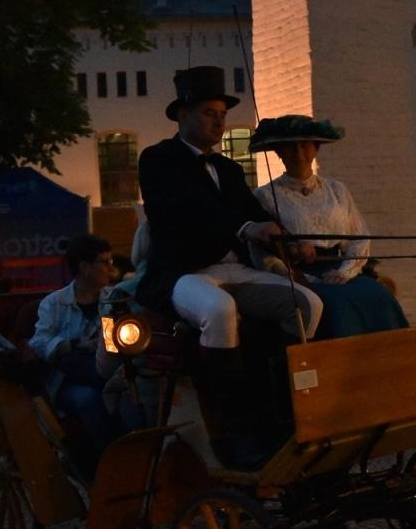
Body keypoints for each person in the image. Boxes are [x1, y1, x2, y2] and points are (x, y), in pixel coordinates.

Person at [136, 66, 322, 469]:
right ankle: (235, 431)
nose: (219, 121)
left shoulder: (230, 170)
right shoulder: (157, 161)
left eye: (222, 114)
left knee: (306, 304)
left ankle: (289, 415)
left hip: (233, 271)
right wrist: (244, 227)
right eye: (208, 112)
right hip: (182, 274)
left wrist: (292, 244)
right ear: (181, 115)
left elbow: (255, 213)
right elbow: (187, 211)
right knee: (220, 312)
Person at [249, 115, 409, 339]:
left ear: (316, 148)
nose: (299, 153)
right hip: (300, 277)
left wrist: (344, 272)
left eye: (305, 145)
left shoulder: (336, 190)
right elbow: (264, 255)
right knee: (336, 305)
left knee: (379, 295)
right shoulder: (265, 196)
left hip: (340, 270)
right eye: (290, 147)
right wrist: (304, 278)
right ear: (279, 152)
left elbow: (358, 237)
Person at [27, 233, 123, 478]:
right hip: (68, 380)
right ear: (85, 268)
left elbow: (114, 342)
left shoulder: (112, 299)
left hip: (104, 369)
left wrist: (104, 343)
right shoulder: (54, 303)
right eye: (106, 262)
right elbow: (39, 341)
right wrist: (76, 344)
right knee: (89, 400)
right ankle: (103, 468)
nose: (111, 269)